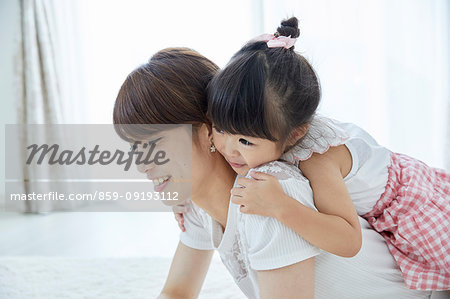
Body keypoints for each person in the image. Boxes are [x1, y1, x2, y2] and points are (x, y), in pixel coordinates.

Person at [113, 48, 431, 298]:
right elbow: (177, 292)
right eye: (134, 146)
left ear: (208, 127)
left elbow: (348, 240)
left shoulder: (269, 194)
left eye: (154, 142)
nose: (141, 163)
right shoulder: (197, 206)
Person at [201, 17, 450, 291]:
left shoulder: (317, 157)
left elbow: (349, 240)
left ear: (295, 134)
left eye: (246, 142)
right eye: (220, 129)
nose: (227, 148)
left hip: (410, 202)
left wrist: (280, 206)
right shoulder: (273, 130)